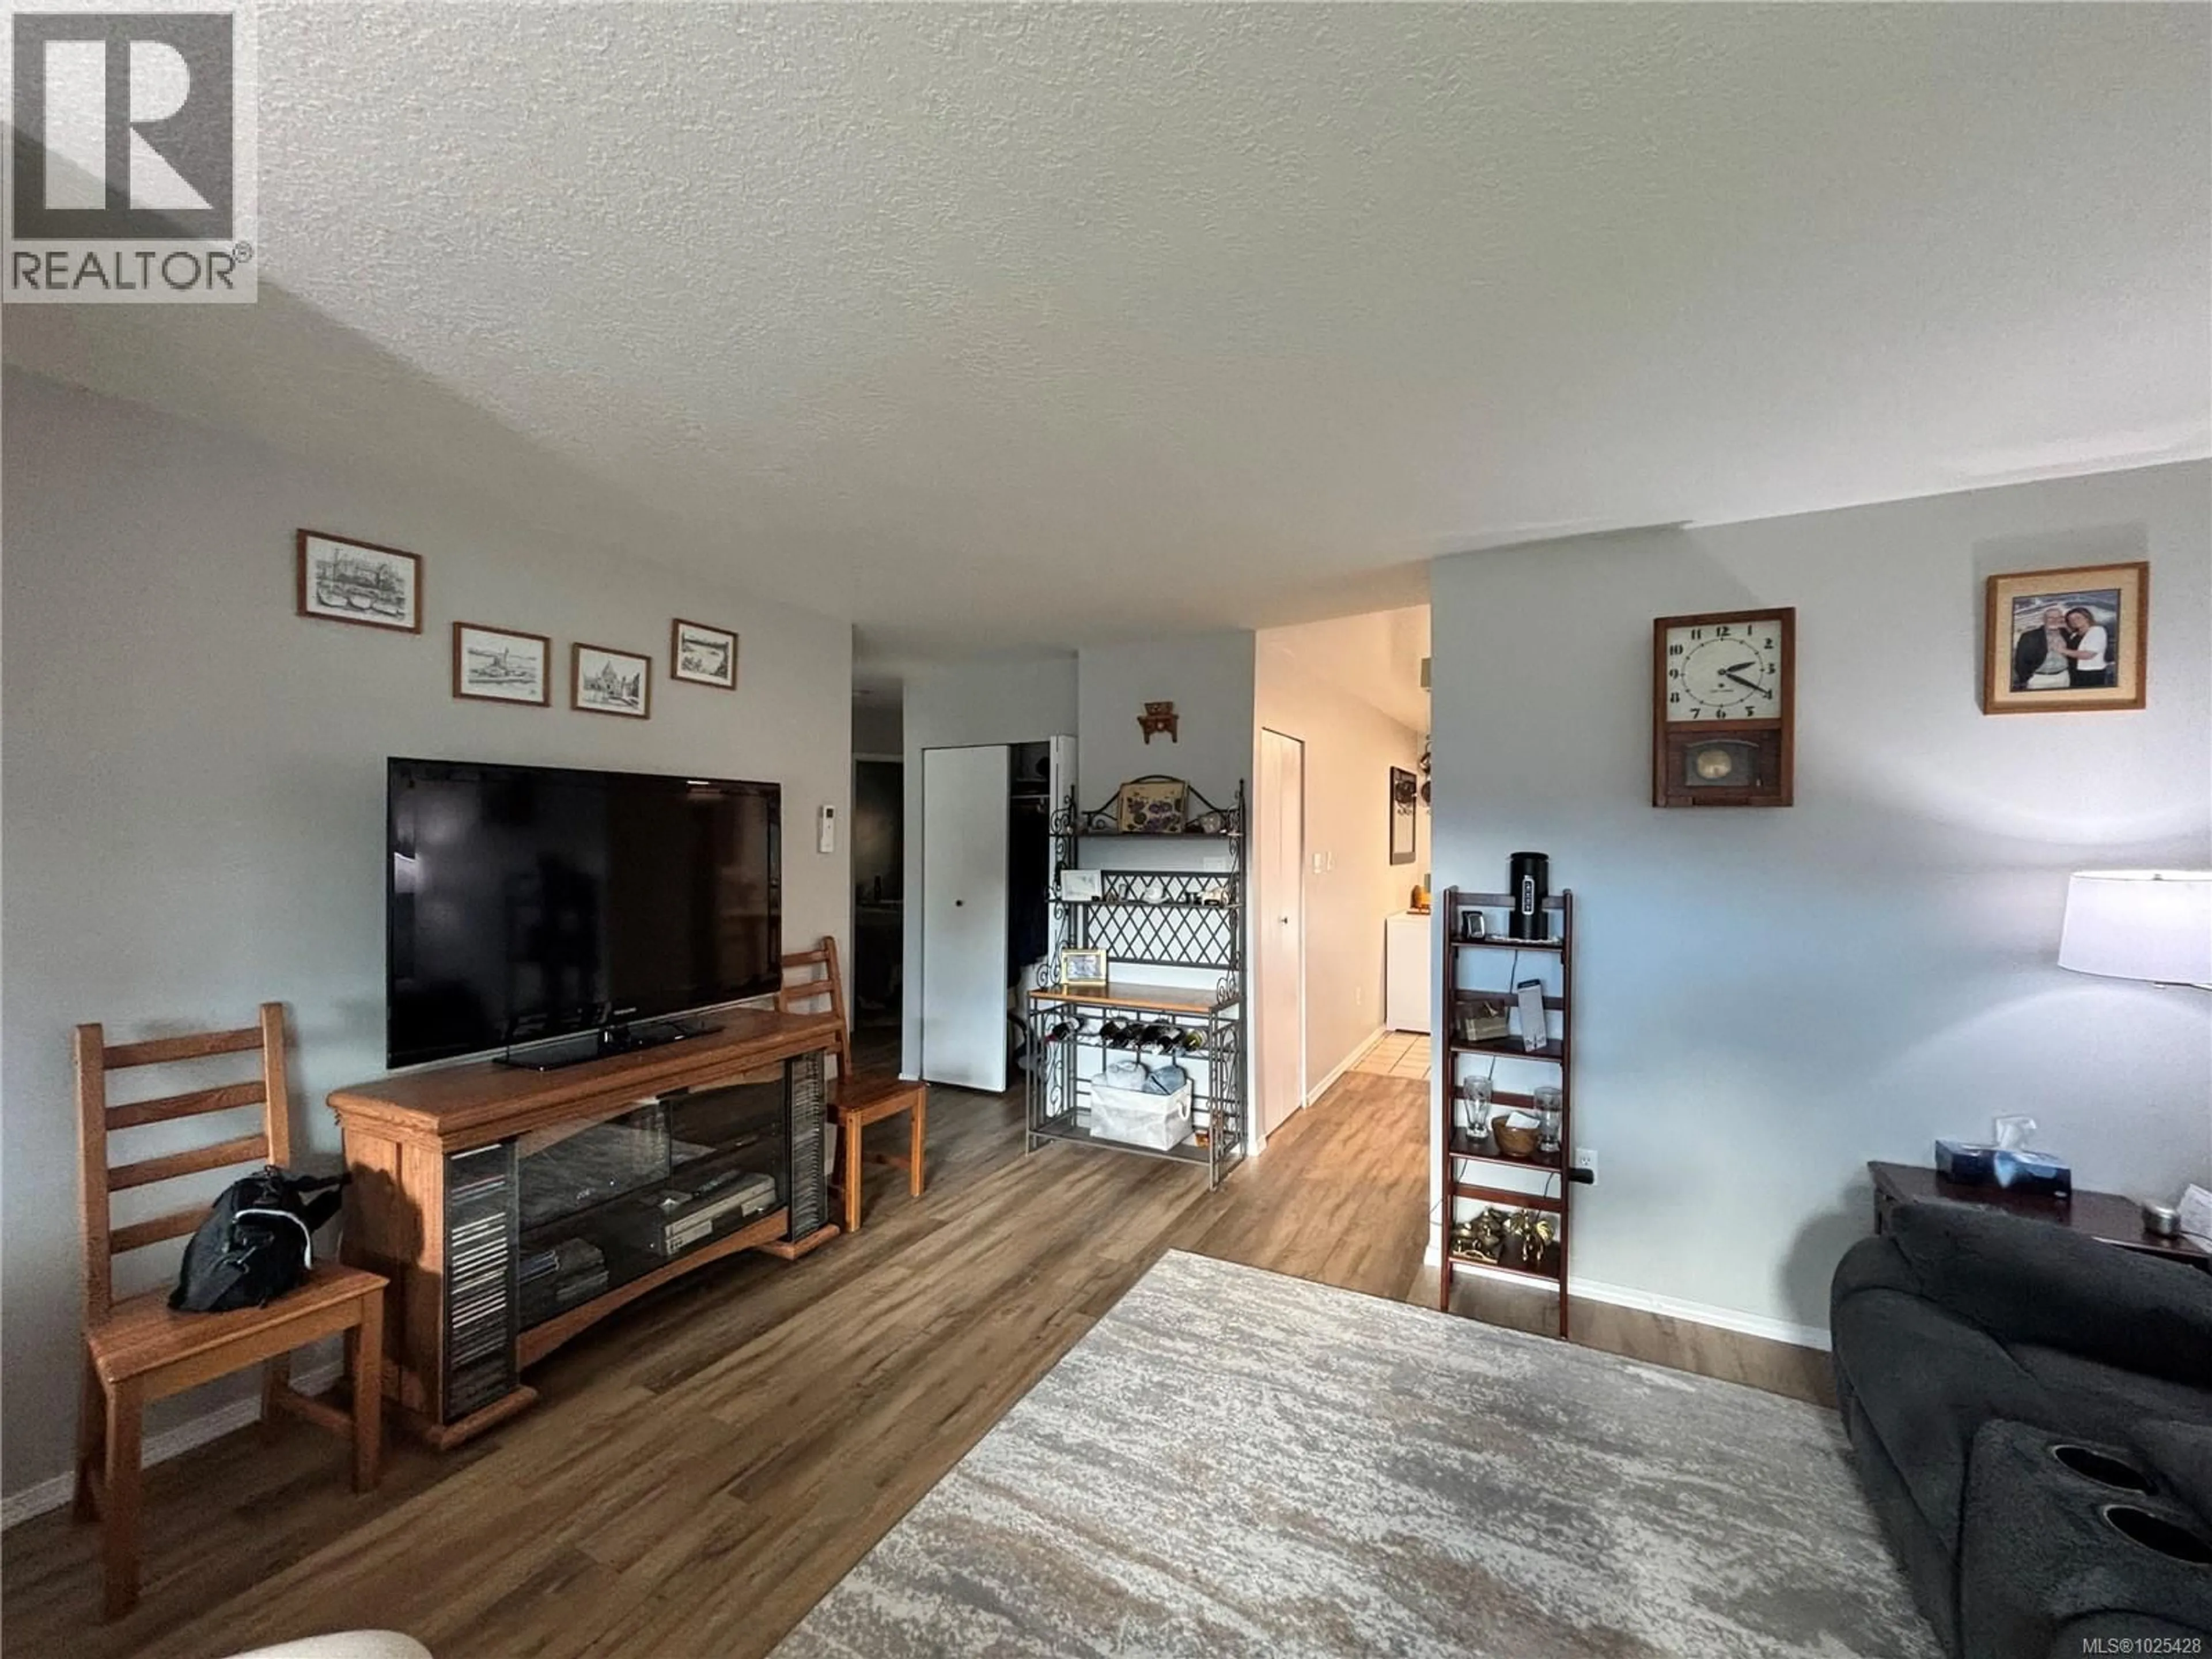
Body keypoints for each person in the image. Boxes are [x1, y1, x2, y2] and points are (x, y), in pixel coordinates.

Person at [2012, 604, 2073, 692]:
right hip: (2039, 679)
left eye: (2058, 618)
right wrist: (2026, 678)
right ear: (2044, 619)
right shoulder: (2030, 636)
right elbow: (2021, 660)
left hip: (2063, 677)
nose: (2055, 620)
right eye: (2051, 618)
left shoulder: (2067, 634)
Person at [2051, 604, 2112, 689]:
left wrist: (2062, 650)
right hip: (2074, 672)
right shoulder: (2075, 635)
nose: (2074, 621)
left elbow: (2088, 655)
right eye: (2071, 619)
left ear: (2087, 618)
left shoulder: (2097, 631)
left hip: (2091, 674)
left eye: (2078, 618)